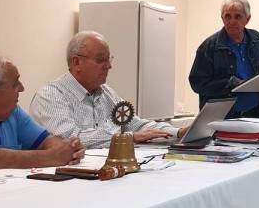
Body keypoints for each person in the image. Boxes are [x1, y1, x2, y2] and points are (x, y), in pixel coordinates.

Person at [30, 31, 188, 149]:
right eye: (101, 60)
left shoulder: (106, 93)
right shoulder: (51, 95)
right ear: (76, 62)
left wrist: (178, 132)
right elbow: (71, 139)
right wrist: (129, 138)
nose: (109, 66)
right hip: (71, 176)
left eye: (109, 59)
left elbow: (135, 125)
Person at [0, 53, 84, 170]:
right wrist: (52, 157)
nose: (22, 88)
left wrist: (70, 149)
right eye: (15, 84)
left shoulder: (13, 112)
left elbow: (46, 141)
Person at [189, 0, 259, 118]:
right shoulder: (209, 47)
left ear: (247, 19)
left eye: (237, 16)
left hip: (257, 115)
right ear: (222, 18)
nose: (232, 21)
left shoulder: (257, 40)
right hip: (224, 118)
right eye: (227, 16)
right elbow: (197, 83)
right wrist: (230, 83)